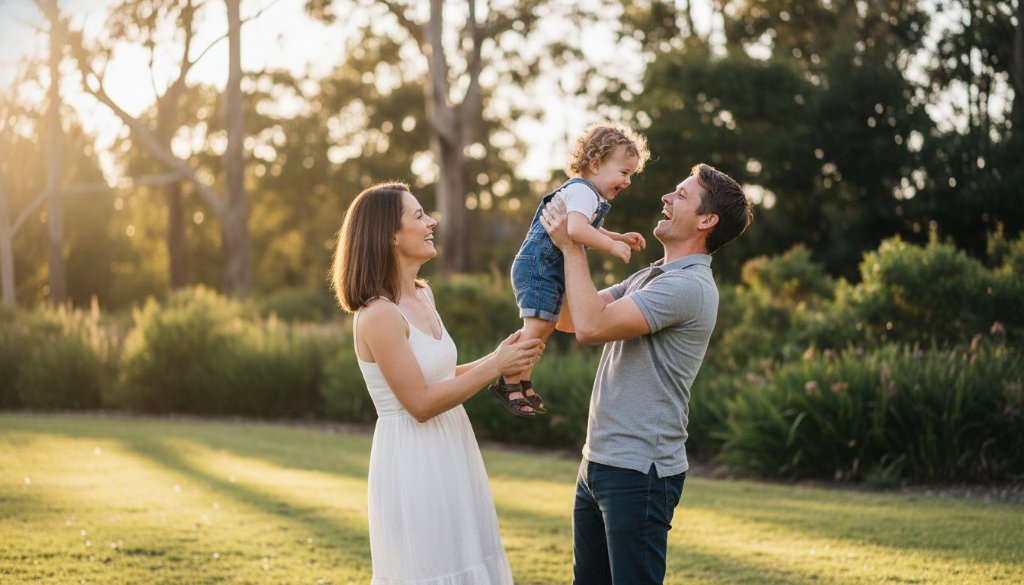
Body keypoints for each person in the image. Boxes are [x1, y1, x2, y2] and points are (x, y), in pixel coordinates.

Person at [540, 163, 754, 584]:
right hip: (598, 461)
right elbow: (568, 318)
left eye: (680, 194)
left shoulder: (688, 287)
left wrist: (573, 247)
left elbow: (591, 327)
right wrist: (555, 246)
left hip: (640, 473)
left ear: (706, 220)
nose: (666, 198)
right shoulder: (650, 275)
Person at [331, 181, 543, 584]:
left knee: (469, 554)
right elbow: (421, 403)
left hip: (452, 447)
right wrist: (495, 365)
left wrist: (504, 358)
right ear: (390, 235)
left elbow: (443, 377)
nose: (430, 222)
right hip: (413, 460)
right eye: (418, 215)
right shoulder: (378, 315)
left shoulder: (423, 295)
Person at [491, 123, 652, 418]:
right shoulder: (582, 191)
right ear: (595, 164)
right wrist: (611, 247)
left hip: (545, 268)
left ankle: (523, 379)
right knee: (537, 328)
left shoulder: (588, 195)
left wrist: (618, 236)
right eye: (624, 173)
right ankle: (508, 381)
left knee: (544, 328)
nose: (628, 181)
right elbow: (577, 229)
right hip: (540, 267)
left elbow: (587, 227)